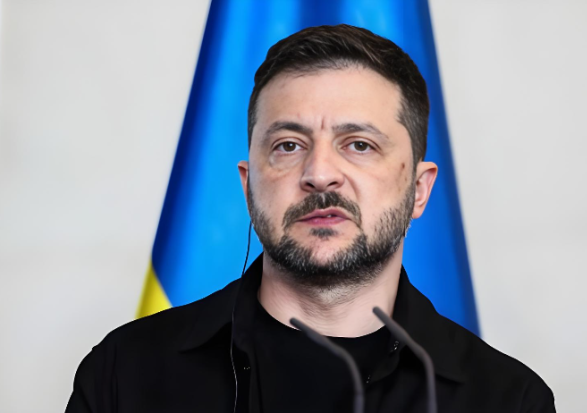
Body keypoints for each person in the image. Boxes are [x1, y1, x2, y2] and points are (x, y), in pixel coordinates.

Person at [66, 24, 554, 413]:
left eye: (359, 144)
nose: (320, 174)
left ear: (419, 190)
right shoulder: (124, 374)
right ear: (248, 185)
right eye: (288, 145)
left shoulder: (508, 400)